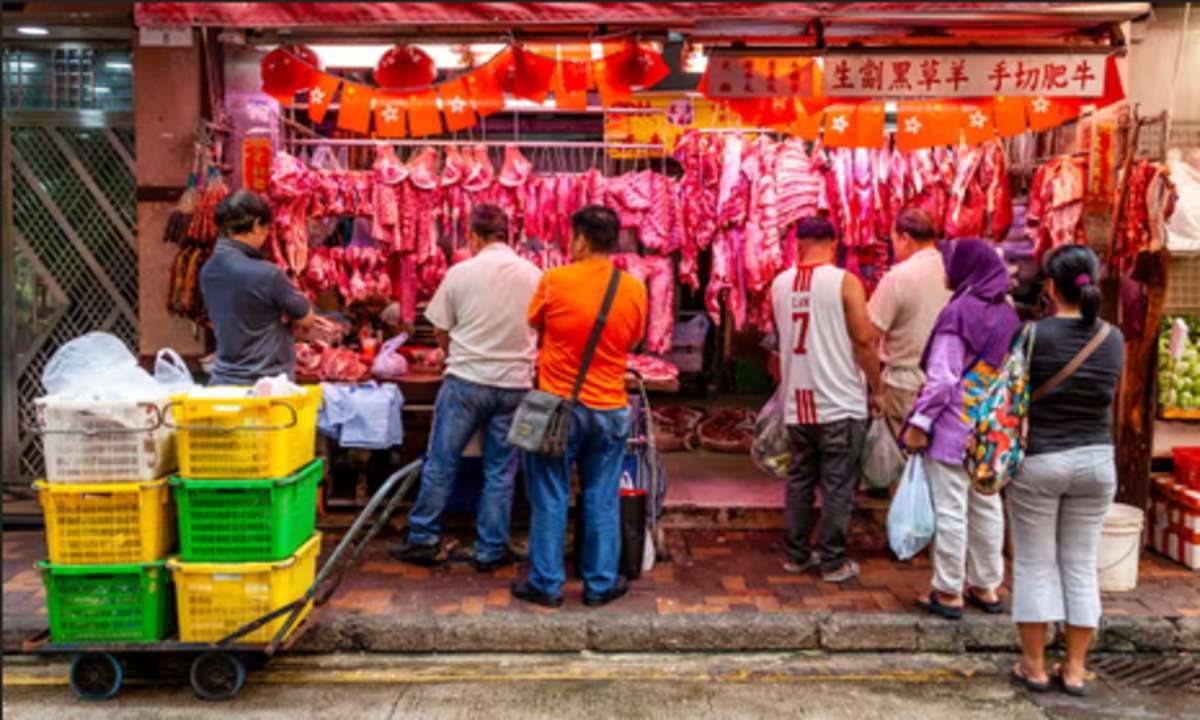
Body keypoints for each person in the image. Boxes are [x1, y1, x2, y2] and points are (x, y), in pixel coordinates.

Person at [389, 205, 543, 571]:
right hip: (515, 384)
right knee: (500, 471)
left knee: (442, 463)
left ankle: (424, 539)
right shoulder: (535, 275)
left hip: (467, 381)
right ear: (509, 236)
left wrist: (451, 348)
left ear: (474, 237)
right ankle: (491, 549)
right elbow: (542, 327)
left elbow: (440, 326)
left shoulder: (461, 272)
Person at [512, 206, 648, 608]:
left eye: (572, 237)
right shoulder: (634, 288)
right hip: (609, 406)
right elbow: (634, 341)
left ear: (583, 240)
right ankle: (600, 582)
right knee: (601, 495)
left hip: (558, 407)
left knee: (550, 494)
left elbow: (535, 324)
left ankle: (547, 584)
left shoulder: (554, 281)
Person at [1008, 246, 1124, 696]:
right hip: (1096, 460)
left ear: (1050, 288)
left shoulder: (1032, 335)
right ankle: (1075, 670)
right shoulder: (1113, 338)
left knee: (1035, 563)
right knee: (1080, 565)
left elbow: (1010, 397)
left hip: (1040, 460)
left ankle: (1034, 667)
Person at [904, 238, 1020, 619]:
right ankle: (987, 586)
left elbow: (942, 379)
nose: (945, 271)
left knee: (951, 509)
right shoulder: (1009, 314)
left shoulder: (959, 313)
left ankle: (948, 590)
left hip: (953, 426)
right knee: (987, 505)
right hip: (990, 429)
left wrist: (920, 422)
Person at [771, 216, 881, 584]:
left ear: (796, 243)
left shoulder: (780, 285)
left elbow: (779, 342)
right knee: (837, 486)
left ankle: (795, 555)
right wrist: (877, 387)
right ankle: (832, 561)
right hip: (840, 402)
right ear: (834, 243)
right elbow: (864, 340)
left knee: (800, 480)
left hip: (797, 404)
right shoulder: (845, 282)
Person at [200, 190, 335, 385]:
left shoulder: (208, 270)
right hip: (266, 387)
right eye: (266, 229)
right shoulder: (268, 274)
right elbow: (307, 319)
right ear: (256, 225)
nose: (265, 236)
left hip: (222, 381)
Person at [867, 208, 952, 441]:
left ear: (905, 237)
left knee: (903, 463)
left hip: (905, 385)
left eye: (893, 239)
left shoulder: (898, 277)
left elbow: (869, 335)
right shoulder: (953, 269)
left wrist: (875, 389)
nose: (893, 246)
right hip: (947, 386)